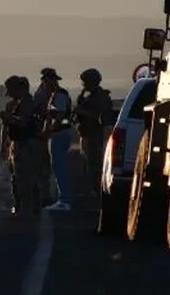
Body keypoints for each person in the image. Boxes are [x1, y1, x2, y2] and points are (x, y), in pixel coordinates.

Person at [0, 76, 42, 218]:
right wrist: (3, 144)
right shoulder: (14, 104)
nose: (10, 94)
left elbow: (23, 123)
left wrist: (8, 118)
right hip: (17, 143)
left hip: (26, 143)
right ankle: (21, 206)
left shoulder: (29, 104)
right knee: (17, 178)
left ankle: (28, 208)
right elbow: (6, 127)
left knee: (25, 178)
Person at [37, 67, 74, 213]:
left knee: (60, 168)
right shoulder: (55, 95)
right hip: (59, 134)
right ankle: (63, 199)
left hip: (60, 134)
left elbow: (59, 116)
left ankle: (65, 201)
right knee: (58, 168)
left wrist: (49, 131)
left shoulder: (60, 95)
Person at [74, 68, 114, 199]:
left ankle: (98, 195)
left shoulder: (100, 97)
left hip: (95, 135)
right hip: (88, 135)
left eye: (85, 82)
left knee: (95, 166)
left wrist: (81, 111)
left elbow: (99, 116)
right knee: (89, 166)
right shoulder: (91, 96)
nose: (83, 85)